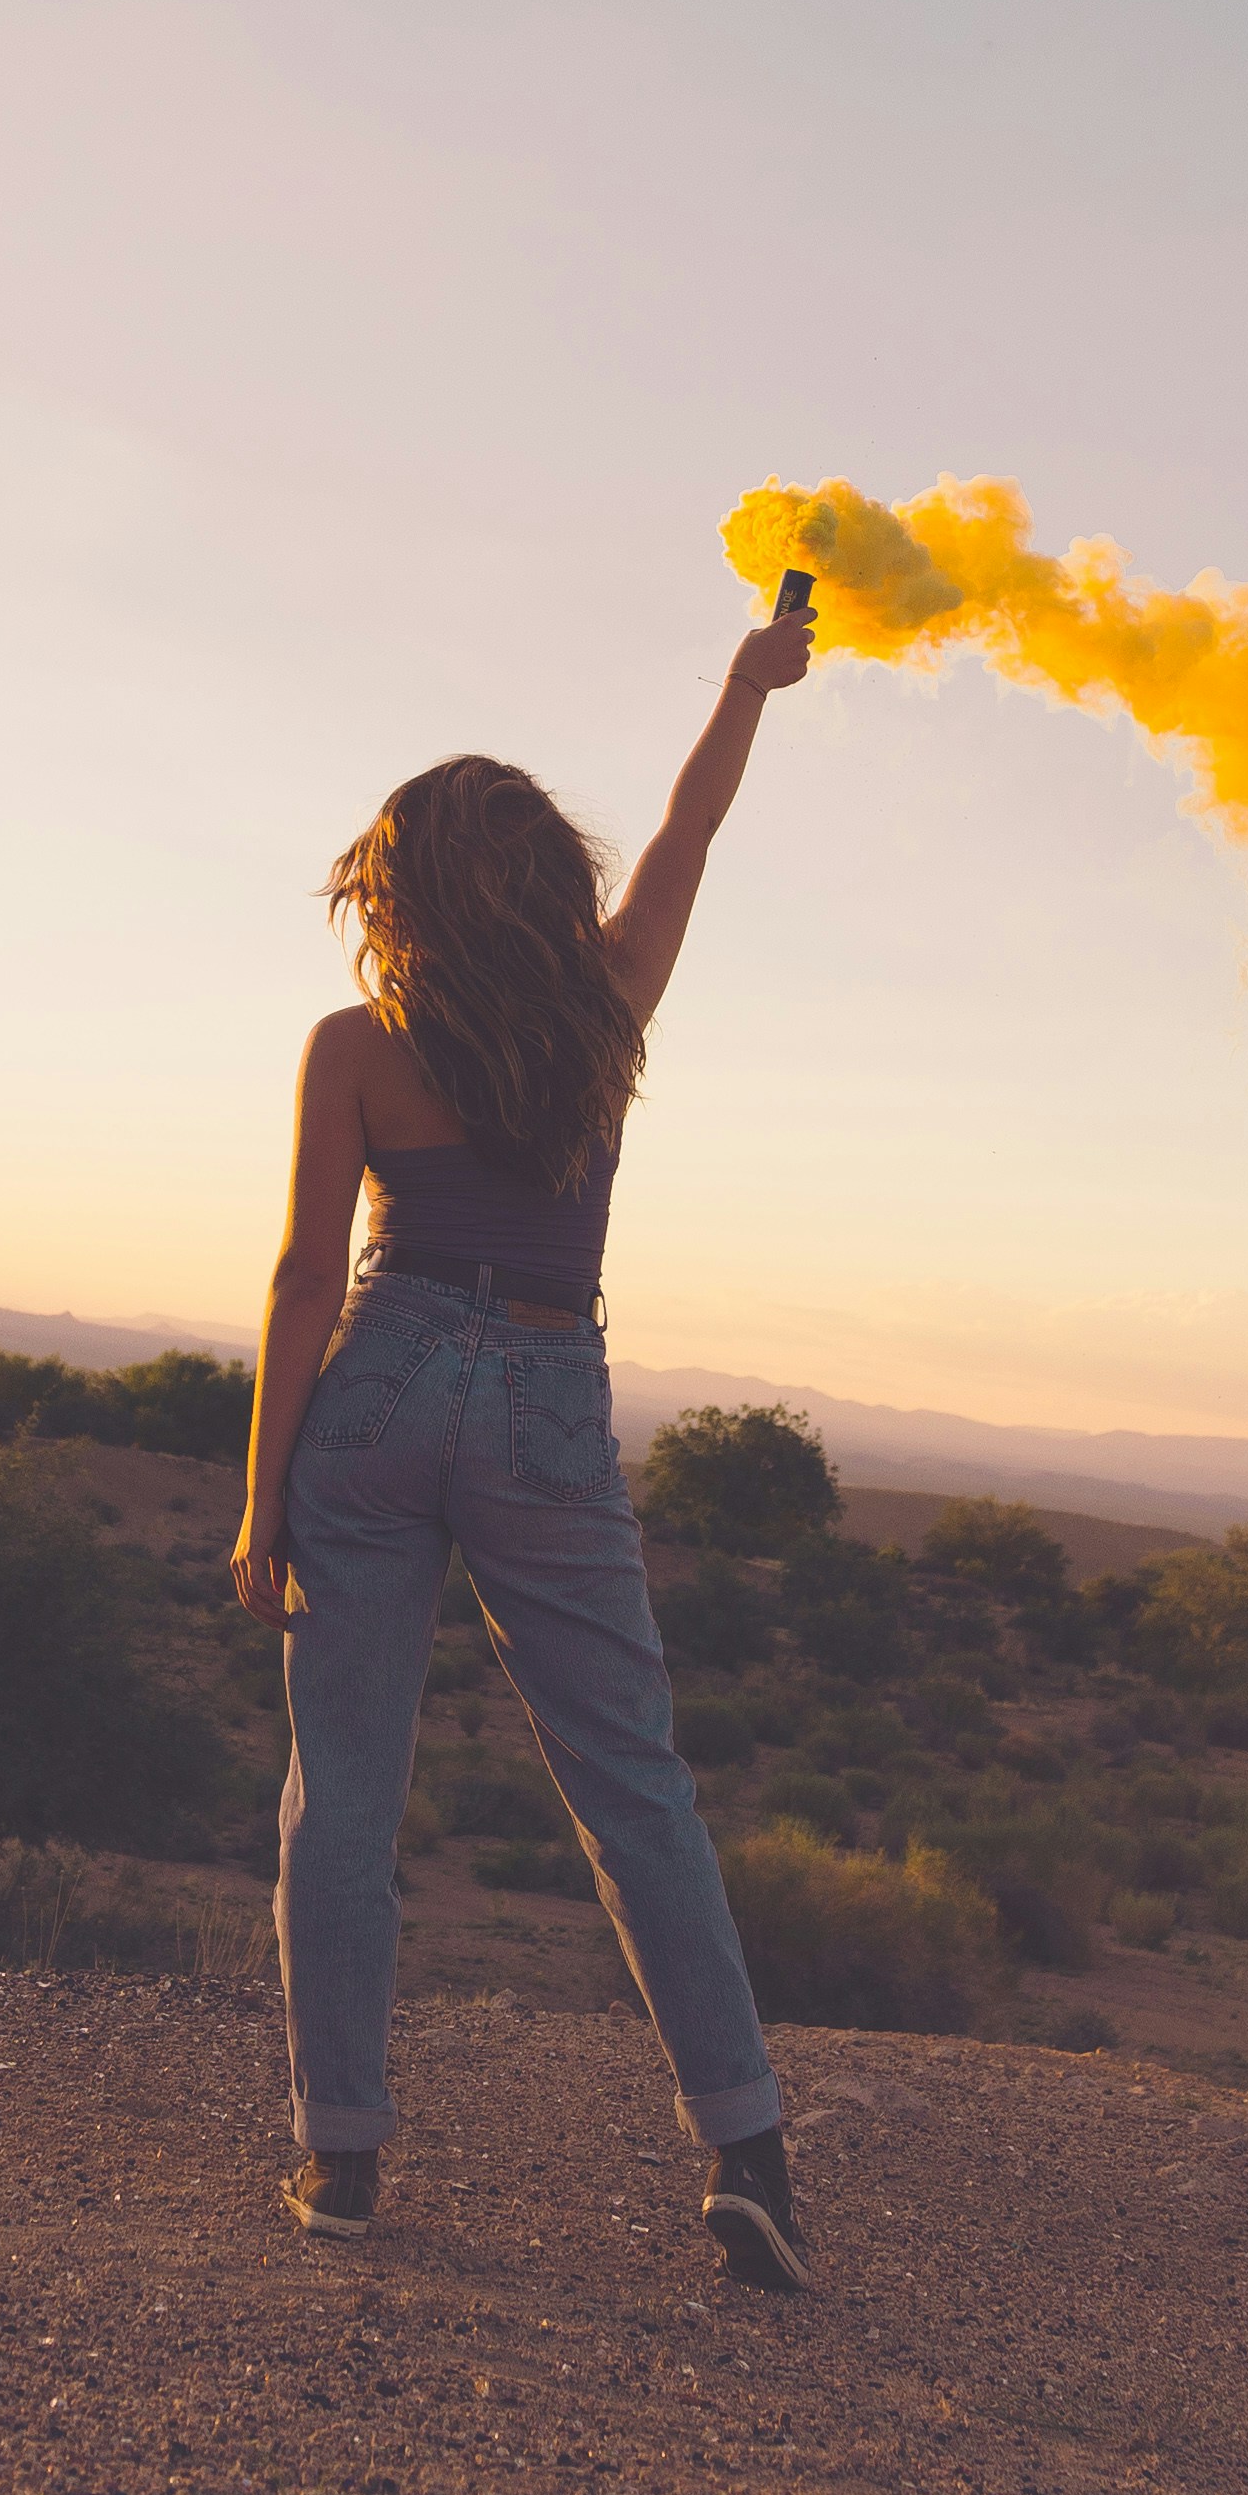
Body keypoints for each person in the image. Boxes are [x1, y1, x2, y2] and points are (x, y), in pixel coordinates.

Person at [237, 594, 820, 2291]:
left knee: (340, 1790)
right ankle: (749, 2151)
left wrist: (261, 1499)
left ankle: (342, 2164)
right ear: (551, 882)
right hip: (548, 1387)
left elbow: (295, 1277)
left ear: (395, 888)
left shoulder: (355, 1047)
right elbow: (694, 823)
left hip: (384, 1367)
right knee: (633, 1784)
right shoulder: (611, 1003)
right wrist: (744, 683)